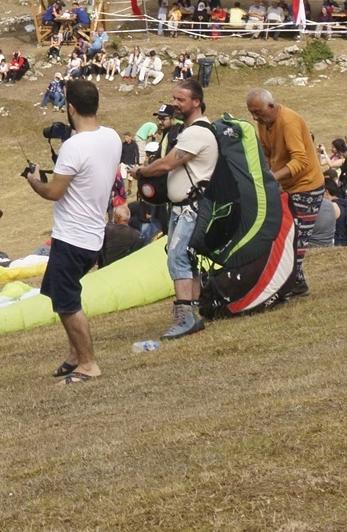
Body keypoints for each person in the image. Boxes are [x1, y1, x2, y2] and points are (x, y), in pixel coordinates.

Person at [22, 78, 120, 382]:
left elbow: (54, 192)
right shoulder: (113, 137)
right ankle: (75, 354)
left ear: (71, 108)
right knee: (56, 293)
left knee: (67, 303)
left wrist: (33, 180)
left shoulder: (73, 147)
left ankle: (88, 363)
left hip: (72, 237)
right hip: (94, 233)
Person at [132, 79, 219, 338]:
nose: (175, 104)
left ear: (196, 102)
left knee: (178, 257)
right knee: (187, 259)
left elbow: (168, 164)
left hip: (191, 207)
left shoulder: (198, 132)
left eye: (180, 99)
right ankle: (192, 314)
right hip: (183, 207)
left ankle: (185, 317)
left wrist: (141, 171)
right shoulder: (188, 130)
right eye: (174, 98)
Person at [246, 88, 322, 301]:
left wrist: (272, 179)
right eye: (251, 112)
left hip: (307, 186)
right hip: (286, 186)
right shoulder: (264, 122)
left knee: (296, 240)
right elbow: (267, 151)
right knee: (284, 236)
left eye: (258, 112)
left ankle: (288, 285)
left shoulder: (288, 122)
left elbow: (301, 160)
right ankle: (296, 282)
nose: (254, 117)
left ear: (271, 106)